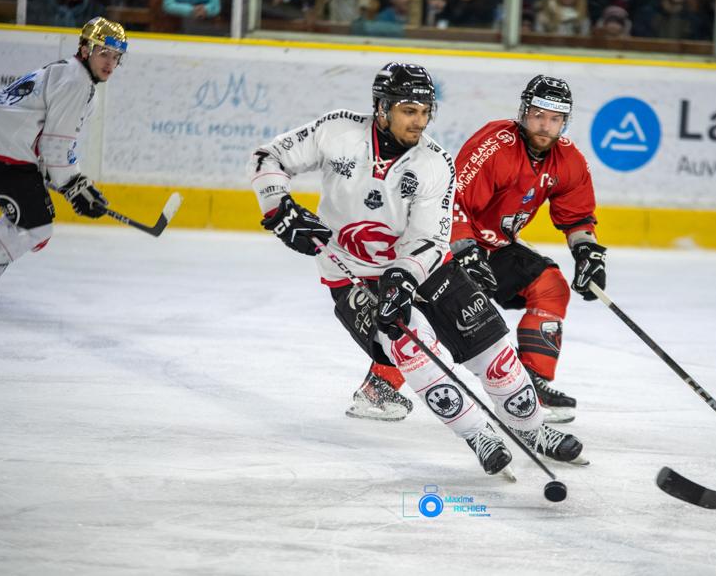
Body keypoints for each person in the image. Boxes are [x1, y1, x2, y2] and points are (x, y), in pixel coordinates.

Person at [248, 63, 586, 474]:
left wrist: (404, 274)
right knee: (412, 347)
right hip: (353, 274)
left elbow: (430, 237)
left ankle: (532, 429)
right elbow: (268, 156)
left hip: (426, 267)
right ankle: (478, 433)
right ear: (382, 107)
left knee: (491, 348)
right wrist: (277, 206)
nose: (419, 121)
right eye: (409, 110)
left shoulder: (435, 163)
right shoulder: (337, 131)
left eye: (426, 112)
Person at [351, 75, 606, 425]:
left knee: (550, 286)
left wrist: (587, 251)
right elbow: (450, 202)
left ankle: (527, 387)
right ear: (523, 112)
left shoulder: (569, 159)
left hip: (494, 246)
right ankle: (378, 390)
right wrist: (465, 250)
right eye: (538, 115)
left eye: (555, 118)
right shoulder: (495, 144)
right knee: (444, 303)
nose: (545, 126)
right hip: (442, 239)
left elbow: (577, 215)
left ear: (565, 121)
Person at [0, 17, 127, 315]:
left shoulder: (71, 75)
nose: (110, 62)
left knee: (30, 218)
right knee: (36, 225)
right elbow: (54, 146)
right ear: (85, 49)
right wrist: (74, 185)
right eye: (103, 53)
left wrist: (74, 184)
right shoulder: (77, 83)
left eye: (116, 56)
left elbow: (51, 146)